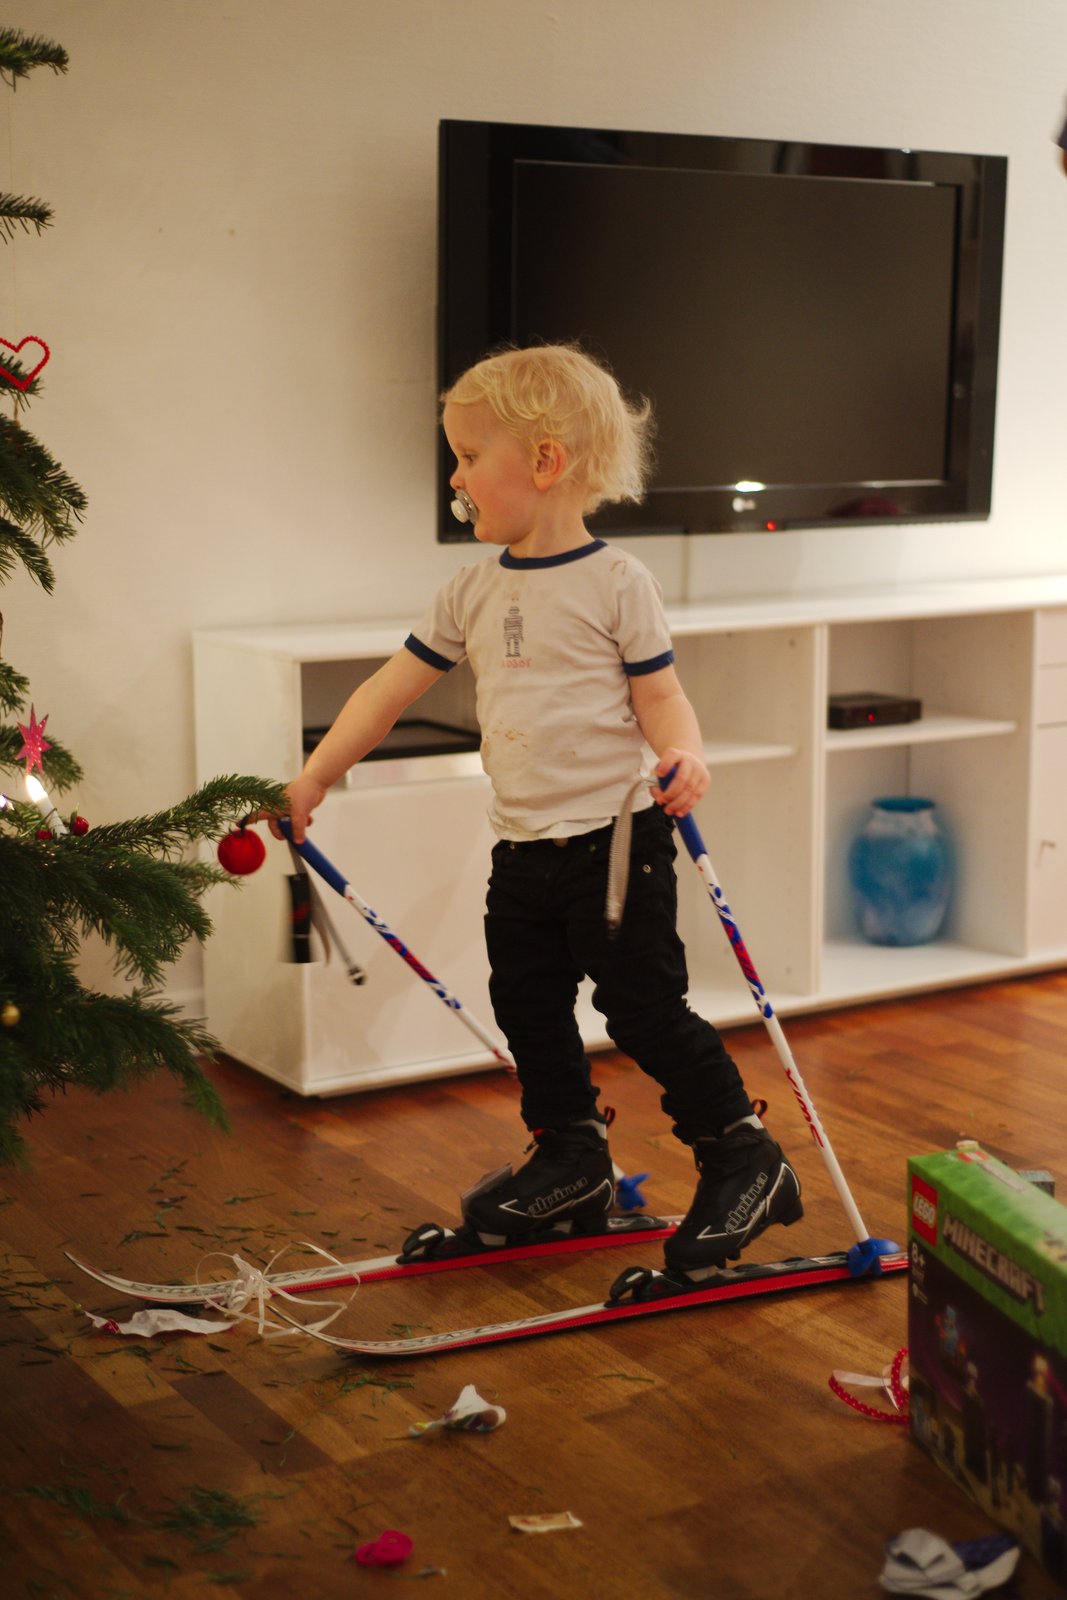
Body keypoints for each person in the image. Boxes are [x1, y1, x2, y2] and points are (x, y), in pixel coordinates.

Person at [268, 344, 802, 1282]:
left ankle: (743, 1156)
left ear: (546, 462)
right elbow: (389, 691)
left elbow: (662, 697)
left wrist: (687, 755)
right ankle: (570, 1157)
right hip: (521, 848)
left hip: (615, 843)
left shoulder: (616, 582)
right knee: (526, 1003)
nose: (455, 476)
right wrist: (315, 776)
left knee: (641, 1010)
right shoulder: (471, 589)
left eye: (470, 456)